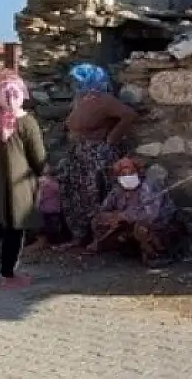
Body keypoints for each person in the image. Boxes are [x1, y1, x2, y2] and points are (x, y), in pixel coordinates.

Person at [0, 71, 47, 289]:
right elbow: (38, 156)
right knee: (14, 227)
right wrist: (43, 173)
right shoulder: (27, 122)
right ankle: (8, 275)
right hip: (18, 185)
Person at [56, 62, 136, 251]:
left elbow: (129, 115)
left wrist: (111, 139)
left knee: (95, 195)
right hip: (79, 154)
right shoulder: (82, 99)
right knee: (75, 194)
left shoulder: (105, 100)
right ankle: (79, 235)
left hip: (97, 155)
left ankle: (99, 239)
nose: (75, 84)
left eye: (79, 80)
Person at [85, 158, 180, 266]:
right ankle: (123, 247)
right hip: (130, 224)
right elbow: (104, 209)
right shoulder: (118, 190)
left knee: (142, 228)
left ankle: (157, 255)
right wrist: (111, 217)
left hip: (162, 226)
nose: (127, 177)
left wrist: (124, 216)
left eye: (131, 173)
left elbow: (151, 215)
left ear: (138, 172)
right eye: (123, 174)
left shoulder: (150, 187)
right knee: (99, 220)